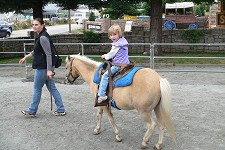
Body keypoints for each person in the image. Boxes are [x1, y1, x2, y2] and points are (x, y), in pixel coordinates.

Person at [19, 18, 66, 117]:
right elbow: (37, 51)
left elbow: (48, 54)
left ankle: (32, 111)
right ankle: (61, 109)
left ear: (42, 25)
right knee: (52, 88)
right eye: (33, 24)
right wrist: (26, 57)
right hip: (46, 67)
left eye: (36, 24)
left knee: (37, 88)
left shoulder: (43, 37)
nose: (34, 26)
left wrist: (49, 70)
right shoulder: (43, 35)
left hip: (44, 68)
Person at [98, 24, 130, 103]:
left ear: (119, 34)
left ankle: (102, 95)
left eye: (115, 34)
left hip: (118, 65)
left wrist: (105, 56)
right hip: (126, 63)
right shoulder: (123, 41)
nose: (113, 37)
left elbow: (111, 55)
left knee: (105, 76)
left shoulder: (117, 45)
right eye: (111, 35)